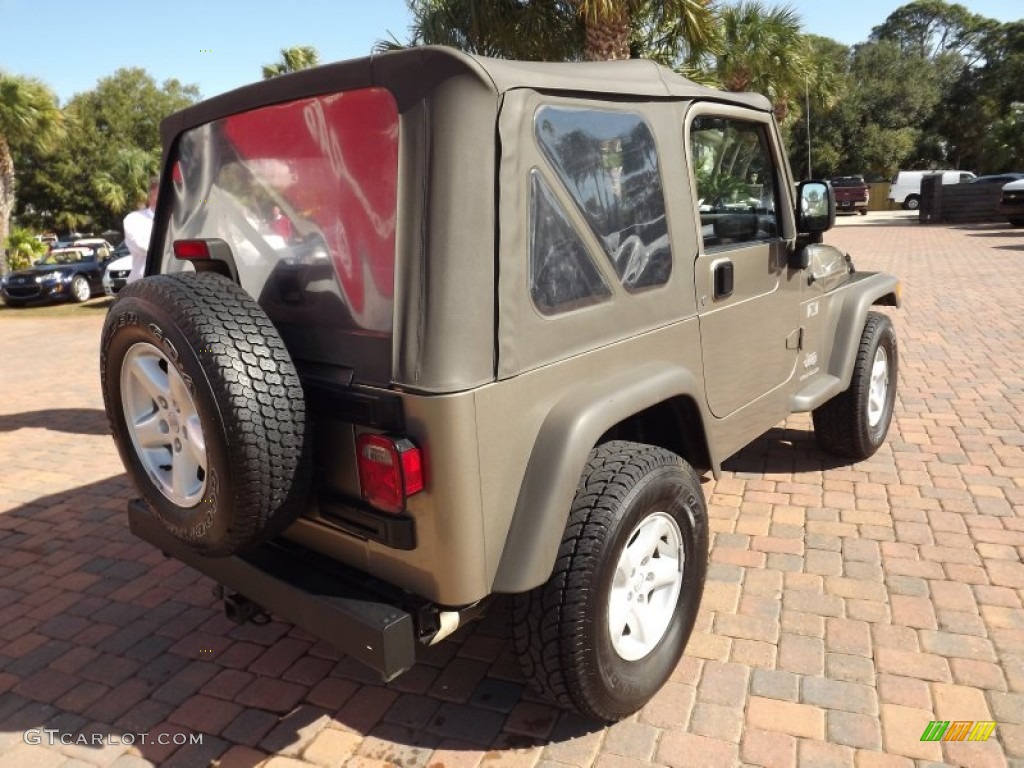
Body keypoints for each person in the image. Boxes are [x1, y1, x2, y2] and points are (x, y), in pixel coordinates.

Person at [124, 178, 159, 283]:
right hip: (144, 285)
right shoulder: (134, 219)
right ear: (151, 194)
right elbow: (143, 246)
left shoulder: (180, 219)